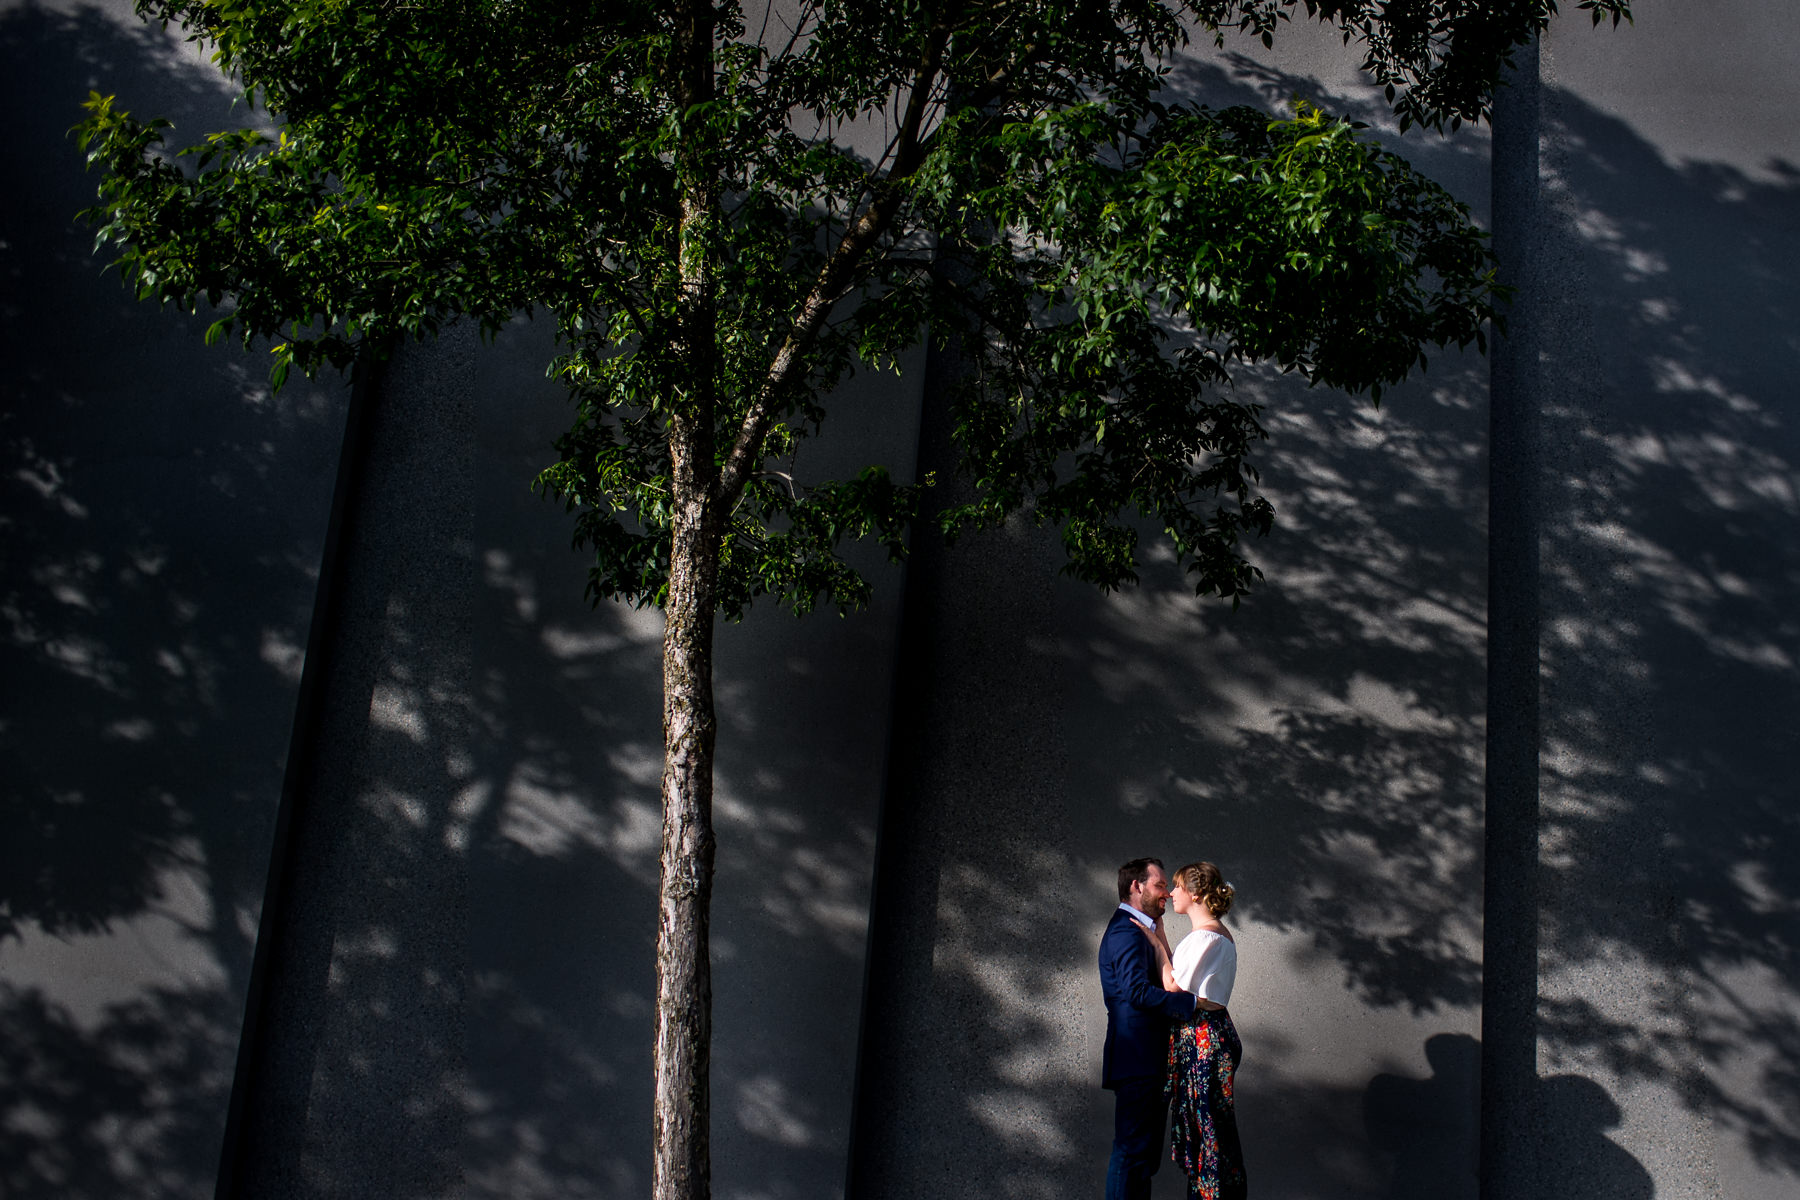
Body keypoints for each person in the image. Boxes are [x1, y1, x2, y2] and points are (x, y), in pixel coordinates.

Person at [1145, 861, 1246, 1200]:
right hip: (1205, 1036)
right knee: (1207, 1125)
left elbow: (1173, 987)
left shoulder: (1207, 937)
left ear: (1196, 893)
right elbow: (1181, 976)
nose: (1171, 893)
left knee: (1208, 1127)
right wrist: (1159, 935)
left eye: (1177, 887)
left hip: (1205, 1041)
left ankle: (1212, 1195)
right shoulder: (1207, 935)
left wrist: (1155, 942)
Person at [1099, 857, 1198, 1200]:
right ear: (1136, 886)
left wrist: (1161, 940)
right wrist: (1191, 1005)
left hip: (1147, 1061)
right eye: (1159, 885)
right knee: (1130, 1153)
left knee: (1142, 1159)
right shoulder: (1125, 930)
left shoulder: (1145, 929)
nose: (1167, 894)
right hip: (1136, 1059)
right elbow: (1136, 991)